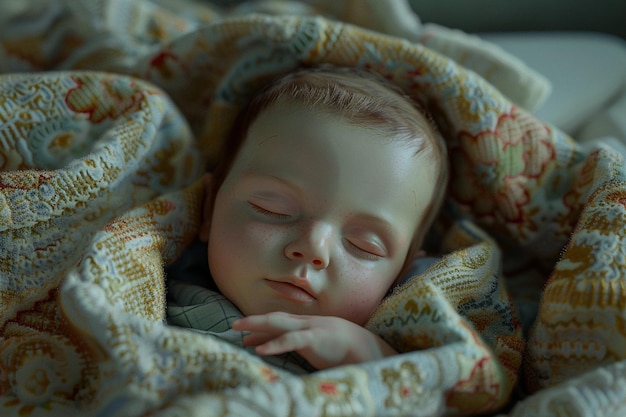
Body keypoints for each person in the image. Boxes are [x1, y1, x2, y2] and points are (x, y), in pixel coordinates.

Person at [167, 65, 449, 372]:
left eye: (364, 245)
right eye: (272, 209)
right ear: (209, 209)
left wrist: (376, 359)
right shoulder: (142, 294)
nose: (314, 247)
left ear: (400, 277)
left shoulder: (386, 358)